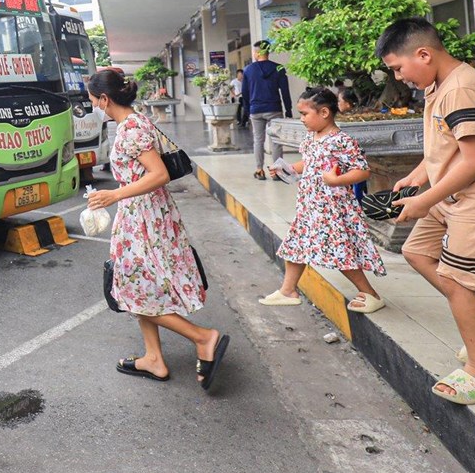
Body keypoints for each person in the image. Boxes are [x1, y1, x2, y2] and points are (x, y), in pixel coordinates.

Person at [380, 18, 475, 406]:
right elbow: (445, 148)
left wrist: (423, 201)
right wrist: (415, 178)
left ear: (424, 54)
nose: (399, 77)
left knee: (458, 281)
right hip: (453, 199)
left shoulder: (462, 89)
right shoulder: (438, 85)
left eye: (398, 68)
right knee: (417, 252)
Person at [85, 69, 230, 391]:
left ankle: (202, 337)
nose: (94, 105)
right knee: (139, 288)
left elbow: (159, 174)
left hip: (144, 220)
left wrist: (114, 194)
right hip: (142, 215)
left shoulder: (132, 130)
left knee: (133, 291)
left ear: (105, 99)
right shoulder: (132, 124)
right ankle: (153, 358)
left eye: (93, 100)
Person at [259, 88, 386, 311]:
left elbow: (362, 171)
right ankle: (287, 290)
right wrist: (286, 169)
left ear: (324, 112)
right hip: (310, 205)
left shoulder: (341, 140)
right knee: (295, 246)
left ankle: (370, 294)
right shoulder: (311, 138)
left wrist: (336, 180)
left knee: (340, 253)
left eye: (305, 114)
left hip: (332, 208)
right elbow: (309, 164)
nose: (302, 119)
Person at [242, 40, 292, 180]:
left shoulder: (248, 70)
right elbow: (285, 91)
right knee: (276, 141)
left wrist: (247, 110)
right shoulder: (278, 68)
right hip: (274, 108)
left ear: (258, 53)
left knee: (258, 140)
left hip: (255, 109)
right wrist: (288, 109)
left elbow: (245, 93)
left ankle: (259, 170)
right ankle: (277, 172)